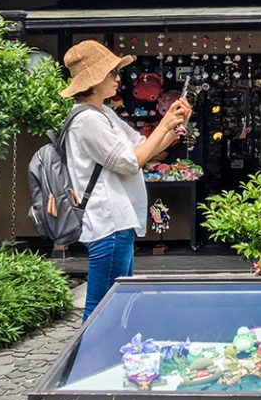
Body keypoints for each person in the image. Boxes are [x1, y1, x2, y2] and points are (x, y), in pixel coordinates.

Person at [59, 40, 191, 320]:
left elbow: (144, 146)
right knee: (103, 306)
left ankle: (110, 356)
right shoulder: (87, 121)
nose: (118, 79)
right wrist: (165, 124)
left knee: (115, 303)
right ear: (94, 81)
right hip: (108, 222)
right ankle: (89, 361)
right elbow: (130, 161)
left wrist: (174, 125)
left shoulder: (102, 113)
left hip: (118, 222)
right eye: (112, 74)